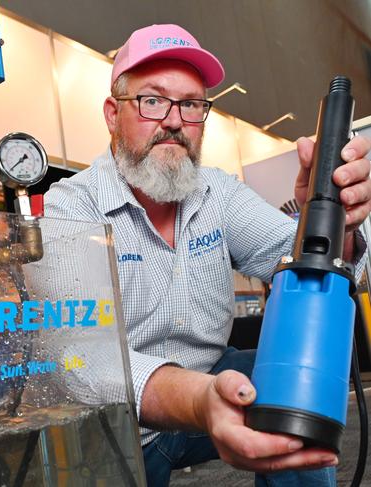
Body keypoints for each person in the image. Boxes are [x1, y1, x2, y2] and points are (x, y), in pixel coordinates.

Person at [44, 23, 371, 486]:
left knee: (299, 385)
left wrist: (337, 218)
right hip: (122, 422)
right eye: (152, 100)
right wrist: (199, 398)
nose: (175, 121)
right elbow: (81, 359)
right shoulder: (72, 205)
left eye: (192, 104)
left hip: (219, 387)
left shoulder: (217, 192)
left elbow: (307, 261)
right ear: (113, 114)